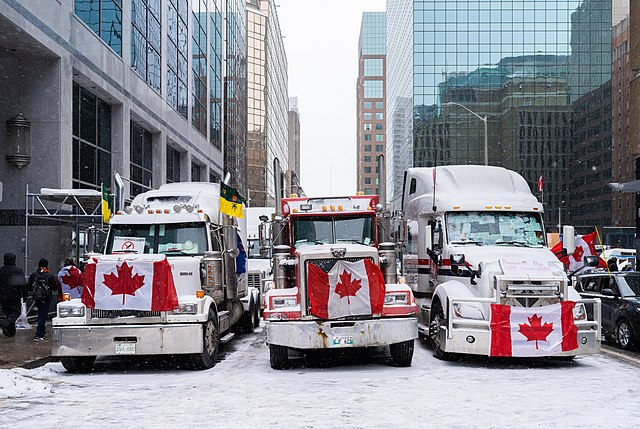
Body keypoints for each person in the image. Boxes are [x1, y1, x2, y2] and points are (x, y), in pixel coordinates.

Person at [28, 258, 58, 341]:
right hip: (46, 298)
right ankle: (38, 334)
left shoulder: (34, 275)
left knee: (40, 315)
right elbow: (55, 287)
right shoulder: (49, 275)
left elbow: (29, 286)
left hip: (36, 298)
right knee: (43, 316)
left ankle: (42, 331)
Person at [0, 252, 27, 337]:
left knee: (8, 313)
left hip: (3, 296)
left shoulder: (1, 271)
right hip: (14, 295)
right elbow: (22, 284)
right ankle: (6, 323)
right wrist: (25, 294)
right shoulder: (18, 271)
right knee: (16, 312)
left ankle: (10, 332)